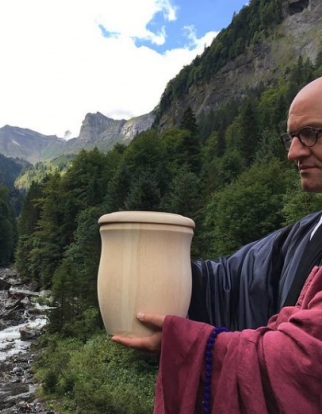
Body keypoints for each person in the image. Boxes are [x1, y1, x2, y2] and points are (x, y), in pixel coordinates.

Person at [112, 76, 322, 413]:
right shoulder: (310, 230)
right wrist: (149, 266)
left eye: (311, 134)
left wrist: (186, 344)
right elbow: (234, 279)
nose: (292, 152)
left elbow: (305, 362)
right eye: (291, 137)